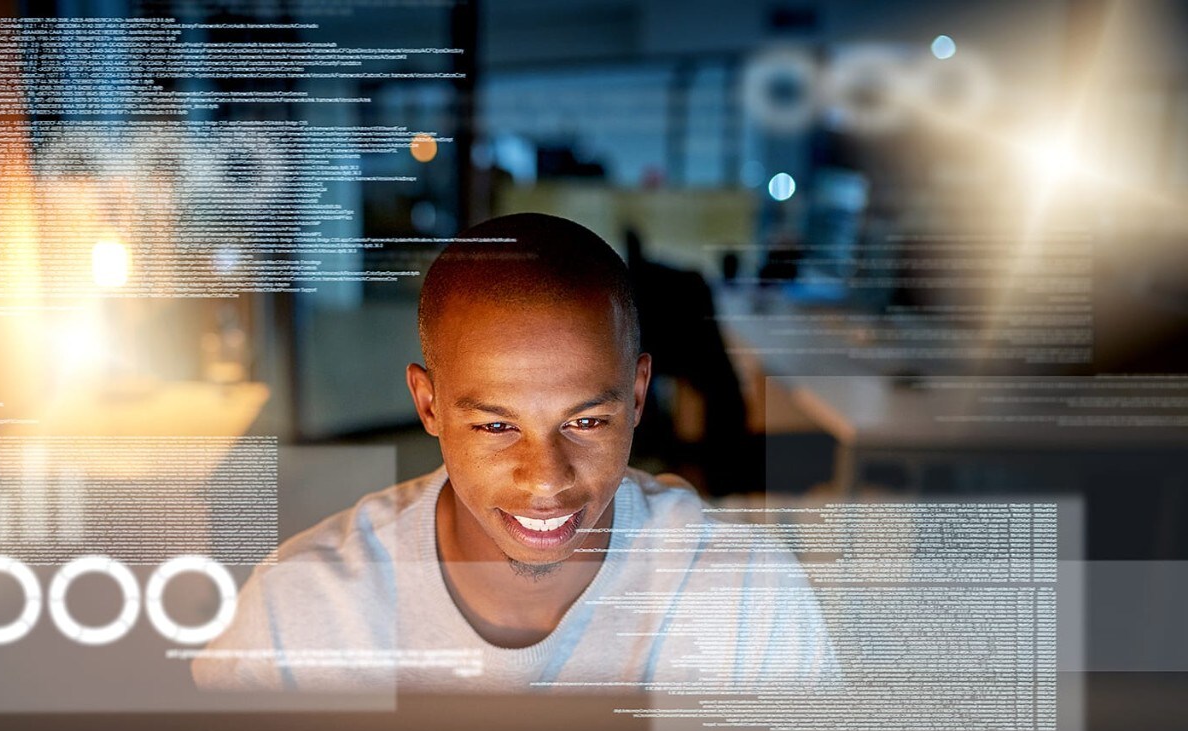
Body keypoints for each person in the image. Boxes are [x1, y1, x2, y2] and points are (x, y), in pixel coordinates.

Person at [193, 213, 836, 693]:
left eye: (585, 420)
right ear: (429, 406)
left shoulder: (748, 599)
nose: (545, 481)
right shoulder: (299, 615)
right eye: (497, 428)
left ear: (638, 397)